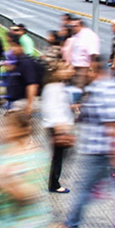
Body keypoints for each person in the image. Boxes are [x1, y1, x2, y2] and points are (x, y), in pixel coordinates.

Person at [49, 57, 115, 228]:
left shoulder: (105, 90)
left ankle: (71, 227)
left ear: (94, 71)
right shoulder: (100, 88)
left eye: (85, 70)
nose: (81, 74)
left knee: (84, 189)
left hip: (102, 151)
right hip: (100, 149)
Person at [41, 61, 74, 193]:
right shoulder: (53, 88)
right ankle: (54, 184)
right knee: (58, 157)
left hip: (59, 126)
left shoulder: (57, 86)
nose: (69, 70)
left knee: (59, 156)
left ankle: (54, 182)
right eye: (65, 68)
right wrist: (60, 129)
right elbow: (51, 109)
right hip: (57, 127)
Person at [5, 35, 41, 115]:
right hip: (15, 101)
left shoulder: (27, 63)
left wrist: (29, 105)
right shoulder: (18, 62)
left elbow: (32, 84)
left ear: (21, 47)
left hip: (22, 103)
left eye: (13, 46)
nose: (11, 49)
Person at [62, 17, 101, 88]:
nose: (73, 28)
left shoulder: (89, 36)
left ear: (82, 25)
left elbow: (93, 54)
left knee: (80, 87)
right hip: (74, 67)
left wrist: (91, 69)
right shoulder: (76, 35)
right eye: (71, 26)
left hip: (84, 68)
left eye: (75, 26)